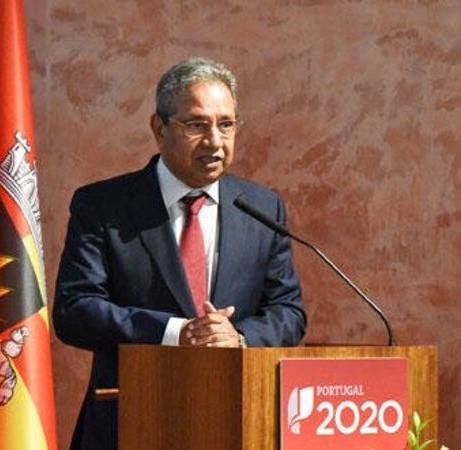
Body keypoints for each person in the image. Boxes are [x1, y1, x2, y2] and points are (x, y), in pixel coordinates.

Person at [52, 57, 306, 450]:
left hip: (236, 424)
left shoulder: (261, 208)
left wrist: (238, 337)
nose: (215, 141)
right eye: (196, 125)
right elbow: (75, 310)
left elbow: (288, 311)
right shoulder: (104, 206)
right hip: (130, 424)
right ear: (159, 128)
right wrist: (175, 333)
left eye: (226, 124)